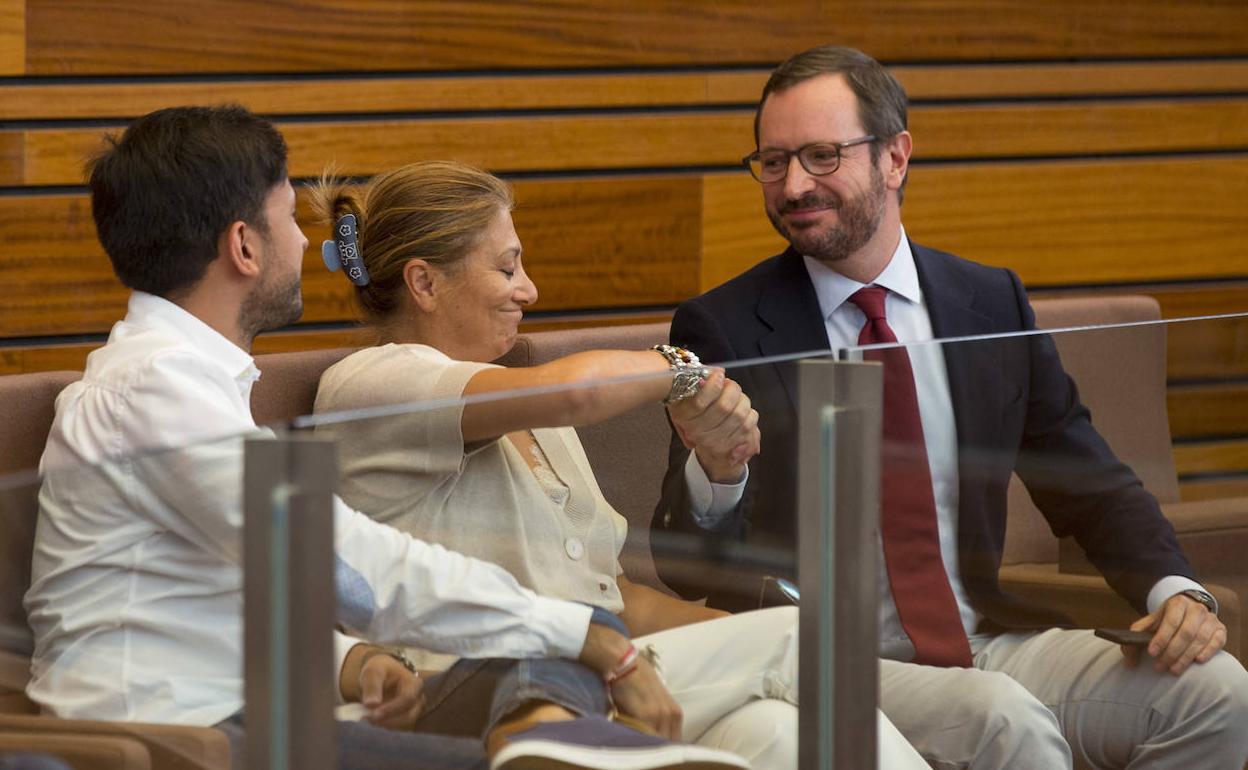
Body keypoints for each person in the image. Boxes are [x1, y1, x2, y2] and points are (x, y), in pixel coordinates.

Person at [23, 104, 754, 770]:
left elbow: (204, 591)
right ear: (244, 246)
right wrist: (580, 631)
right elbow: (342, 563)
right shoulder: (153, 391)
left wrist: (349, 659)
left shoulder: (184, 383)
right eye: (288, 218)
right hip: (185, 736)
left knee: (551, 661)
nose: (311, 241)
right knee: (562, 650)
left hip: (245, 705)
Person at [652, 44, 1248, 769]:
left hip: (987, 642)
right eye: (773, 163)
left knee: (1220, 694)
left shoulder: (988, 302)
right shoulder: (726, 327)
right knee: (1004, 721)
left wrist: (1175, 590)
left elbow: (1086, 483)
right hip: (824, 663)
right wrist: (718, 473)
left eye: (820, 155)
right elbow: (690, 569)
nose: (793, 185)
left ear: (895, 158)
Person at [307, 160, 929, 770]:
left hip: (605, 669)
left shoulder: (530, 408)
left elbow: (612, 594)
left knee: (775, 726)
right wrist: (685, 369)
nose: (530, 289)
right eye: (508, 267)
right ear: (424, 283)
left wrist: (735, 634)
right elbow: (579, 391)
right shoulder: (370, 383)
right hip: (483, 691)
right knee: (800, 645)